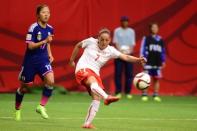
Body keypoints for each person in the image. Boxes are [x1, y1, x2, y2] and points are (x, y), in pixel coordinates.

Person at [69, 28, 146, 129]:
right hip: (83, 68)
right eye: (102, 39)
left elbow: (126, 57)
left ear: (109, 40)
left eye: (106, 40)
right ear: (98, 38)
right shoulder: (91, 41)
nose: (104, 42)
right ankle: (107, 97)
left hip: (95, 73)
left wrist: (138, 59)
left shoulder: (110, 50)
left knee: (96, 98)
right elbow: (78, 45)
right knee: (92, 80)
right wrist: (71, 60)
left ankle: (87, 124)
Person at [14, 4, 55, 121]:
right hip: (30, 61)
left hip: (43, 59)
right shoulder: (33, 28)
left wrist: (50, 54)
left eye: (48, 12)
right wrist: (44, 40)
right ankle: (17, 109)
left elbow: (48, 44)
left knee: (51, 80)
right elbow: (30, 46)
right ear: (38, 15)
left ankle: (41, 106)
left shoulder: (50, 28)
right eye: (43, 12)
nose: (46, 14)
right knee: (24, 88)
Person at [140, 23, 166, 102]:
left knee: (156, 79)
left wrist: (163, 60)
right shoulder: (146, 38)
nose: (155, 29)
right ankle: (144, 94)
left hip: (157, 62)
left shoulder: (160, 39)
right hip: (148, 61)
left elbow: (163, 51)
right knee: (146, 78)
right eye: (153, 27)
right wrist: (142, 59)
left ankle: (156, 94)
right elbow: (142, 49)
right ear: (150, 28)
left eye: (156, 27)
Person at [113, 16, 136, 99]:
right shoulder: (117, 31)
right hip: (119, 55)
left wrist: (128, 51)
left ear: (128, 22)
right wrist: (121, 52)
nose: (125, 22)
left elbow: (132, 44)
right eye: (123, 21)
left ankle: (128, 92)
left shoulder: (131, 31)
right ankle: (118, 92)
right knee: (118, 74)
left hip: (129, 54)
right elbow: (116, 43)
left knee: (129, 74)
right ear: (121, 22)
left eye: (126, 21)